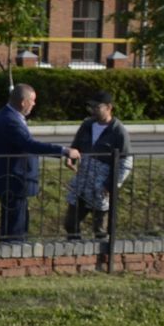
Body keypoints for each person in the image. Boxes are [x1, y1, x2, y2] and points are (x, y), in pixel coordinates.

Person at [0, 83, 77, 243]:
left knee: (14, 223)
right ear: (23, 102)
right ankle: (12, 256)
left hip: (10, 178)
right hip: (13, 179)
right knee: (15, 229)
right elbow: (29, 144)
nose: (34, 104)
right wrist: (64, 151)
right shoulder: (10, 120)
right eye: (32, 101)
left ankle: (11, 252)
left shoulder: (6, 114)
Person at [63, 90, 132, 239]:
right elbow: (76, 146)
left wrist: (111, 184)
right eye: (91, 107)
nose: (93, 110)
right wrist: (71, 157)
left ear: (109, 107)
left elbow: (126, 163)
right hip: (82, 183)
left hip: (101, 187)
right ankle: (75, 251)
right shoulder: (87, 125)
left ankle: (102, 259)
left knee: (100, 229)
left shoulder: (118, 131)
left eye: (97, 107)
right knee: (70, 223)